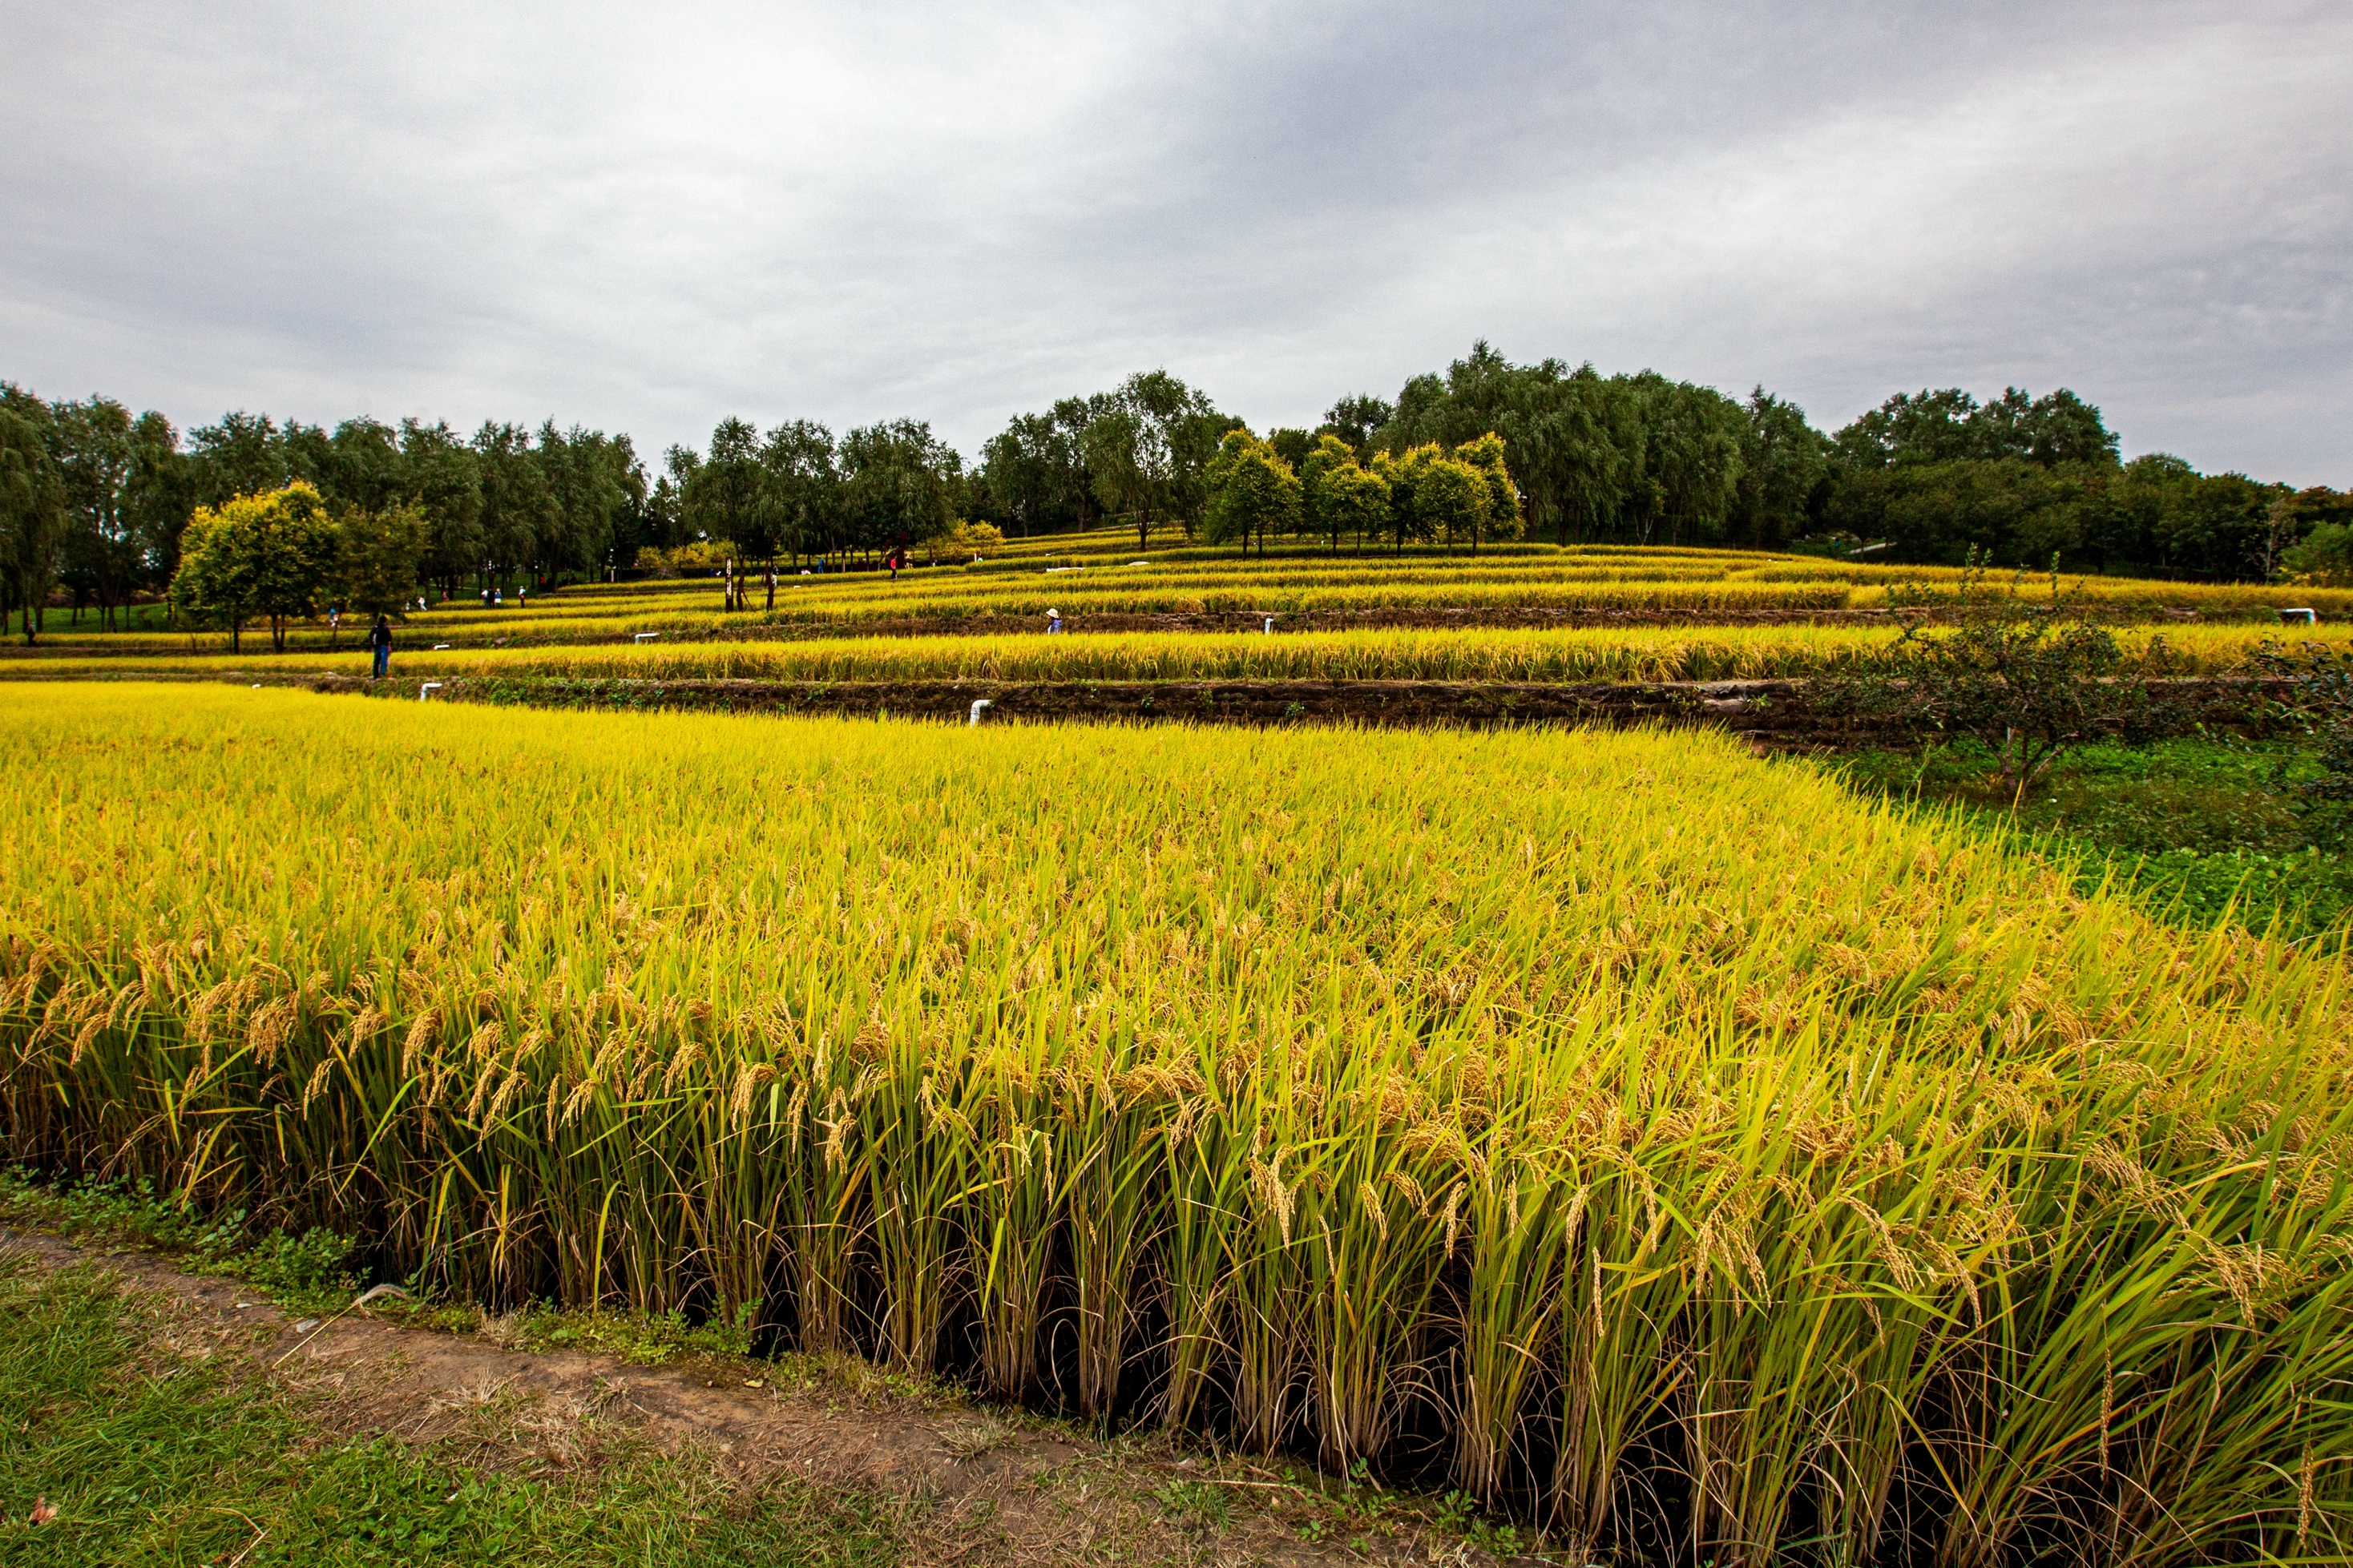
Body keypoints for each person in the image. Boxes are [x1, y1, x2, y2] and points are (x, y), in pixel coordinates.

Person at [369, 614, 392, 679]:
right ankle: (383, 674)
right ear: (385, 621)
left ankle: (375, 675)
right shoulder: (386, 628)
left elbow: (370, 636)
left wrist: (373, 645)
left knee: (376, 660)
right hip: (383, 646)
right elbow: (390, 638)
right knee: (383, 660)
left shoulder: (374, 627)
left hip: (376, 646)